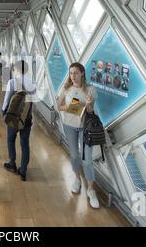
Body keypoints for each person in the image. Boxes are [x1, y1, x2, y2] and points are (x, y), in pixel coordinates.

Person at [57, 62, 100, 209]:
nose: (72, 76)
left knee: (87, 160)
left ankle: (91, 189)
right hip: (69, 126)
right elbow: (59, 105)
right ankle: (77, 179)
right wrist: (69, 108)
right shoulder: (66, 88)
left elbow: (90, 112)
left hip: (85, 128)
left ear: (82, 73)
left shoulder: (90, 90)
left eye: (75, 73)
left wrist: (88, 105)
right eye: (70, 73)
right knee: (74, 156)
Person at [1, 60, 36, 181]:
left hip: (14, 117)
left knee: (11, 139)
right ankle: (23, 170)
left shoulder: (12, 82)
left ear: (16, 70)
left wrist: (3, 112)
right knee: (24, 143)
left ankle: (12, 163)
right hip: (27, 118)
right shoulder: (32, 83)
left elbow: (6, 101)